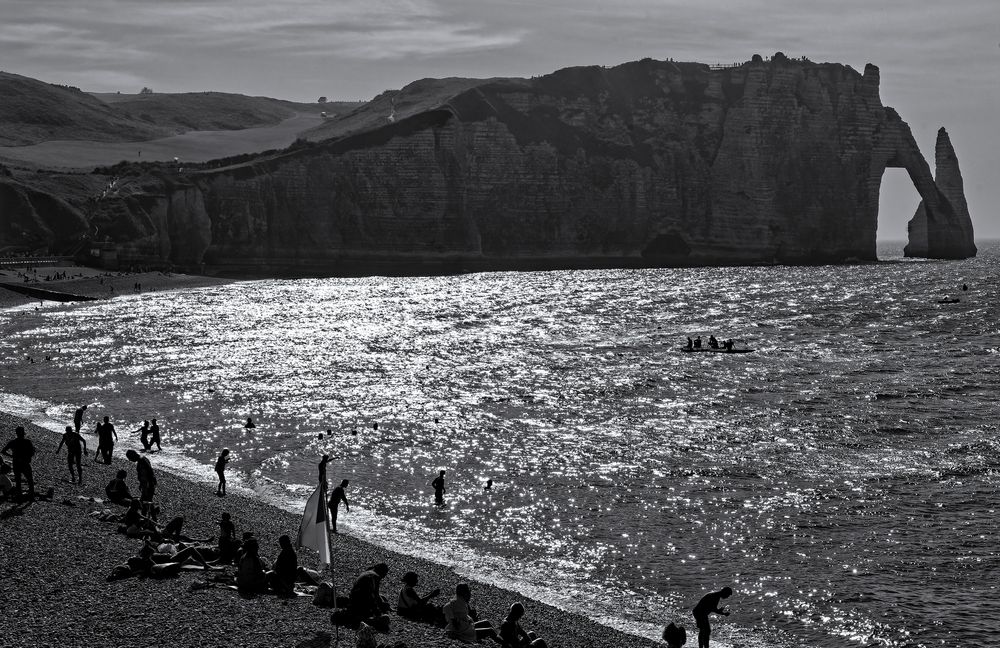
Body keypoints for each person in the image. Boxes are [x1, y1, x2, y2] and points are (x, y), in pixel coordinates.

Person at [1, 426, 36, 500]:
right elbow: (32, 453)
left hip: (16, 463)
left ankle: (19, 495)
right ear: (23, 433)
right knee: (29, 479)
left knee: (18, 480)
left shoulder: (13, 442)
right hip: (25, 463)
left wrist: (12, 456)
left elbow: (3, 451)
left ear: (16, 433)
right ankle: (31, 494)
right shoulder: (27, 442)